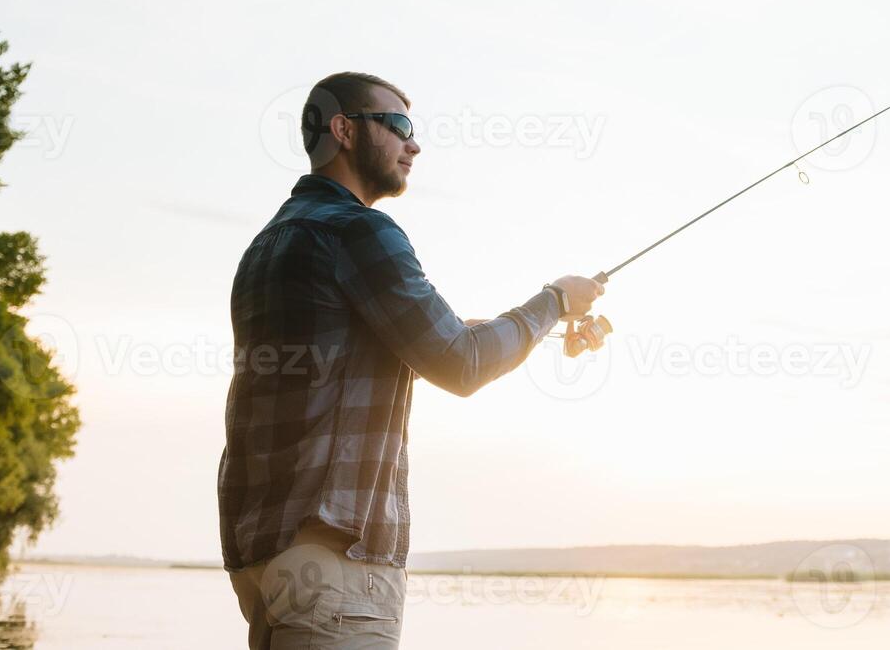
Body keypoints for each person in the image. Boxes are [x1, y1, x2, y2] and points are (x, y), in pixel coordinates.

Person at [218, 71, 606, 649]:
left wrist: (524, 329)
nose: (413, 144)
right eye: (398, 126)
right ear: (345, 130)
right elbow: (462, 364)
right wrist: (555, 301)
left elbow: (390, 342)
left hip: (265, 562)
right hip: (340, 563)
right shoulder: (360, 230)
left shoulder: (269, 244)